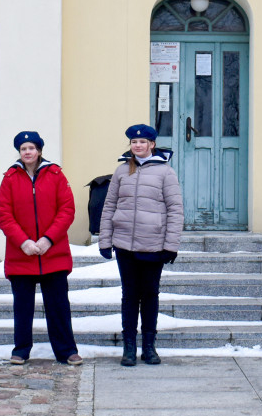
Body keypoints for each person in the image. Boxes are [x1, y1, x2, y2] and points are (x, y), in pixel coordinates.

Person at [99, 124, 183, 367]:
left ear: (152, 144)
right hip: (125, 245)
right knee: (129, 295)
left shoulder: (165, 172)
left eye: (143, 142)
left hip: (153, 245)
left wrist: (171, 245)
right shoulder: (122, 171)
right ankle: (129, 346)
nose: (138, 145)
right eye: (134, 142)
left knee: (149, 295)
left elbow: (175, 209)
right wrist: (105, 240)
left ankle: (149, 345)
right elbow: (109, 206)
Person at [0, 131, 83, 366]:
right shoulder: (10, 178)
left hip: (52, 254)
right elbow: (4, 214)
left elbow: (66, 210)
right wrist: (23, 242)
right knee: (22, 308)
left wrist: (47, 239)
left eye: (31, 148)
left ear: (39, 150)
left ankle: (67, 350)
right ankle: (21, 349)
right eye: (23, 149)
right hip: (21, 255)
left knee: (58, 307)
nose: (27, 152)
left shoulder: (55, 175)